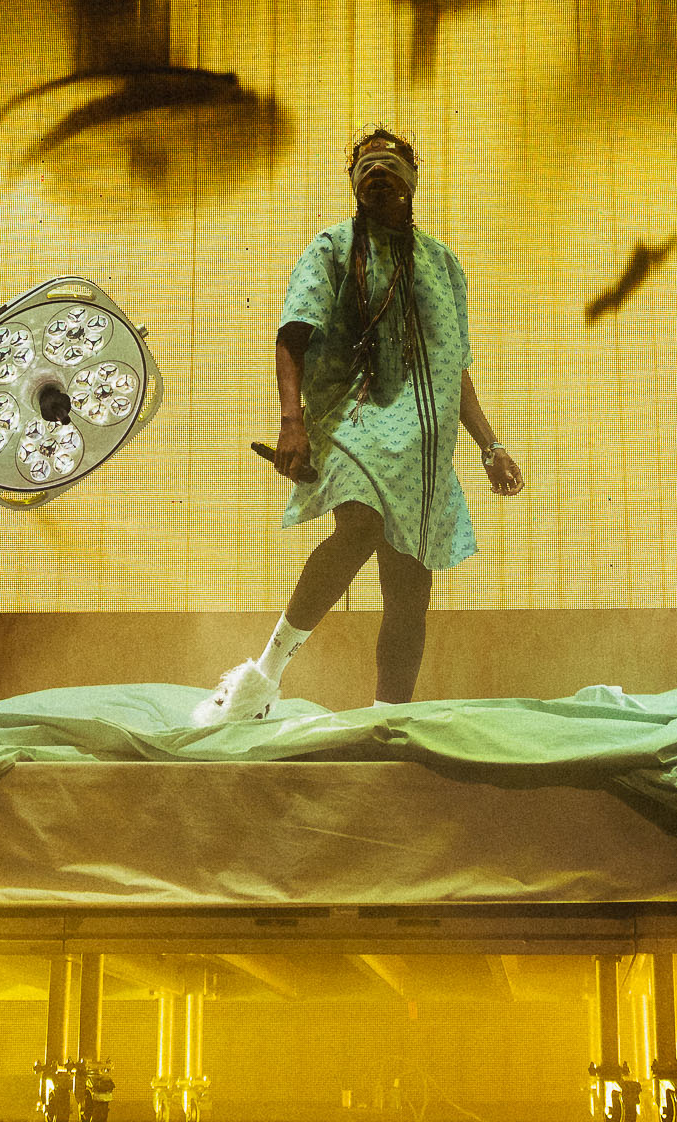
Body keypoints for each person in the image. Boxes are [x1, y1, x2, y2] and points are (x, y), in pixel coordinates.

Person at [197, 128, 524, 723]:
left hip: (422, 446)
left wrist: (490, 444)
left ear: (411, 182)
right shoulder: (332, 247)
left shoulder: (442, 263)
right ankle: (260, 680)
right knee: (361, 526)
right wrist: (292, 423)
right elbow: (293, 336)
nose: (377, 175)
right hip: (352, 419)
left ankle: (386, 719)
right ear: (353, 183)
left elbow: (454, 366)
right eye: (365, 167)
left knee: (408, 589)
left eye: (389, 167)